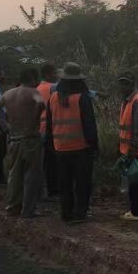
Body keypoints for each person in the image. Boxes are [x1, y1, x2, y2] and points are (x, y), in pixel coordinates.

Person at [0, 67, 45, 218]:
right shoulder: (33, 92)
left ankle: (12, 207)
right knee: (31, 176)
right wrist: (35, 118)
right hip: (30, 139)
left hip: (13, 139)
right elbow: (40, 104)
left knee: (14, 175)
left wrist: (2, 125)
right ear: (32, 78)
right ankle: (28, 210)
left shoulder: (8, 93)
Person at [45, 63, 98, 224]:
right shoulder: (82, 98)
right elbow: (89, 125)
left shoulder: (53, 98)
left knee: (65, 182)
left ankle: (66, 213)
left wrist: (51, 146)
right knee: (82, 182)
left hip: (60, 148)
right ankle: (81, 213)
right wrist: (94, 146)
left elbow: (49, 124)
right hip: (81, 147)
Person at [117, 72, 138, 220]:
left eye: (127, 83)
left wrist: (133, 150)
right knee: (135, 183)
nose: (124, 86)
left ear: (133, 84)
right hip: (128, 150)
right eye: (122, 83)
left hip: (135, 151)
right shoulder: (127, 101)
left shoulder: (136, 102)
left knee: (137, 184)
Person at [37, 63, 59, 198]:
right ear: (47, 74)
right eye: (53, 73)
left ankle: (42, 190)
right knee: (52, 162)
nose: (55, 76)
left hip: (39, 129)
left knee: (42, 162)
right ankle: (53, 189)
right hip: (51, 129)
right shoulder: (53, 88)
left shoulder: (37, 89)